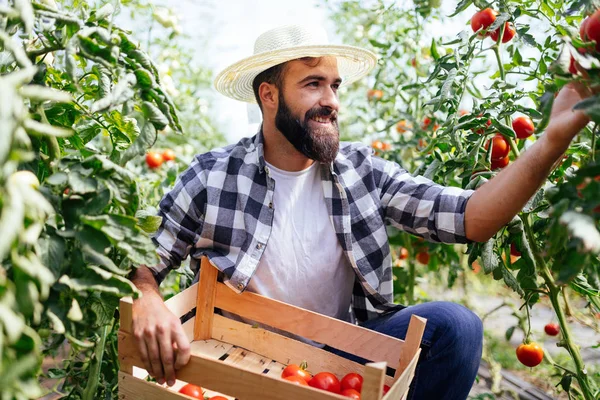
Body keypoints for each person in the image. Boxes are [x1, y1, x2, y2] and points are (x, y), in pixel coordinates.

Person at [130, 24, 592, 399]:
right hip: (242, 357)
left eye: (334, 85)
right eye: (313, 84)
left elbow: (471, 217)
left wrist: (552, 140)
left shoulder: (361, 171)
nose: (331, 100)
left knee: (458, 328)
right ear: (268, 96)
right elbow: (144, 257)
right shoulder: (212, 175)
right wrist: (148, 298)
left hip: (337, 356)